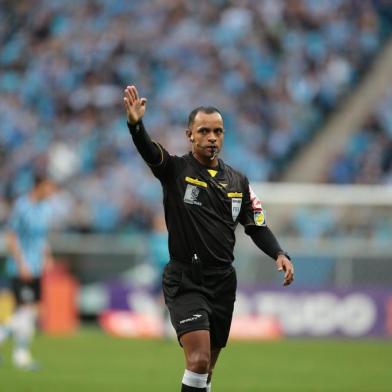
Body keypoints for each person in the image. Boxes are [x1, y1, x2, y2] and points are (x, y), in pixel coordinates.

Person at [123, 85, 294, 392]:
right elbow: (149, 150)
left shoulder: (238, 181)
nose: (212, 137)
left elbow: (256, 225)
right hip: (186, 278)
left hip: (222, 282)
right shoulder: (175, 170)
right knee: (198, 360)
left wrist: (279, 253)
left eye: (218, 131)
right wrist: (136, 126)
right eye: (204, 131)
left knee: (206, 369)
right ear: (190, 135)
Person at [0, 174, 56, 370]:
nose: (51, 192)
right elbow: (11, 236)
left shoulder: (45, 208)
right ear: (38, 186)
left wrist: (47, 255)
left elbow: (41, 237)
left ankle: (20, 353)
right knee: (25, 310)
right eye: (48, 188)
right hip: (21, 268)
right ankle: (21, 355)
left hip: (36, 266)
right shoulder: (22, 206)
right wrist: (21, 263)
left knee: (32, 311)